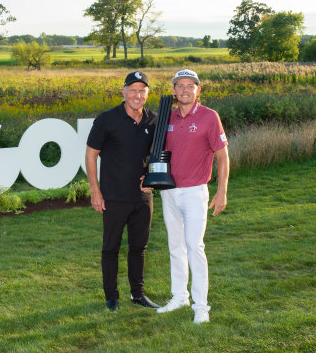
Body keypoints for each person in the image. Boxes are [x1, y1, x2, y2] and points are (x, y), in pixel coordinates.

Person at [156, 69, 229, 324]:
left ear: (198, 90)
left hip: (195, 191)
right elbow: (158, 152)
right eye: (180, 85)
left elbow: (222, 156)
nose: (185, 90)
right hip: (169, 191)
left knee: (194, 246)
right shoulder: (167, 116)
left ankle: (201, 306)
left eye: (190, 85)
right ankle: (179, 296)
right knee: (175, 245)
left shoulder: (210, 117)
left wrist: (222, 192)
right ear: (174, 90)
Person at [86, 71, 160, 312]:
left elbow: (159, 155)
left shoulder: (153, 120)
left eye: (142, 90)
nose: (137, 95)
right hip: (114, 197)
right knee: (111, 248)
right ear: (124, 91)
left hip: (142, 197)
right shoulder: (107, 119)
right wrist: (95, 191)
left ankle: (137, 294)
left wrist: (152, 178)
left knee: (139, 248)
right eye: (133, 90)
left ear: (147, 93)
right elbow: (91, 155)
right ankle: (111, 297)